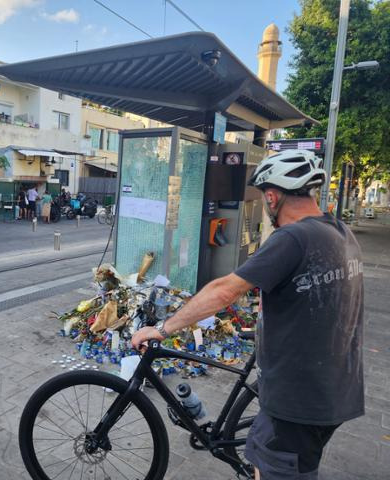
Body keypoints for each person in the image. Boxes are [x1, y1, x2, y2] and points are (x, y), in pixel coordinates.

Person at [132, 150, 364, 480]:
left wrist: (162, 329)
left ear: (272, 196)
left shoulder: (294, 237)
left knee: (276, 467)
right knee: (265, 459)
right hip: (337, 387)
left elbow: (225, 290)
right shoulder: (340, 233)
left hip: (301, 398)